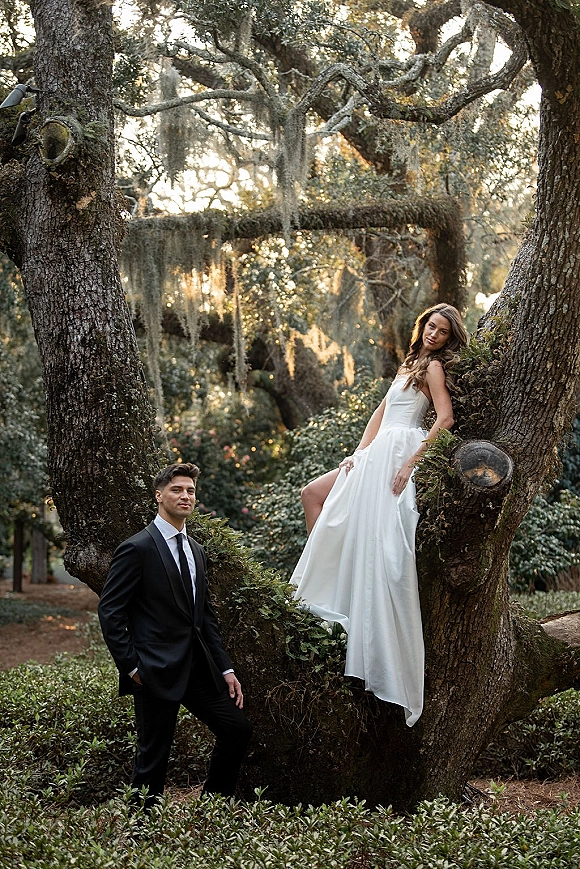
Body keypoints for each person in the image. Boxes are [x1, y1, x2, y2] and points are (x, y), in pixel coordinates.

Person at [291, 303, 468, 727]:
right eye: (430, 326)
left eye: (443, 331)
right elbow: (380, 412)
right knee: (314, 495)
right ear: (421, 326)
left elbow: (445, 418)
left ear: (449, 337)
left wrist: (412, 462)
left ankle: (370, 631)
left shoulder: (434, 370)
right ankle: (332, 582)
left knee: (380, 543)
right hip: (374, 453)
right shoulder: (410, 363)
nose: (434, 334)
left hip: (400, 452)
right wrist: (357, 453)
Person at [98, 462, 253, 808]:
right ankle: (141, 831)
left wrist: (225, 669)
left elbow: (205, 618)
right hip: (153, 671)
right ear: (158, 496)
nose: (185, 496)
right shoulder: (137, 548)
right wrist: (133, 667)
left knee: (237, 729)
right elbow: (110, 611)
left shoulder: (196, 550)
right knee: (153, 756)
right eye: (176, 489)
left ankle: (212, 809)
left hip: (198, 669)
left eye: (190, 491)